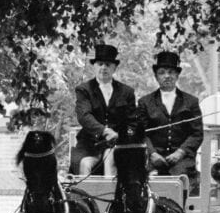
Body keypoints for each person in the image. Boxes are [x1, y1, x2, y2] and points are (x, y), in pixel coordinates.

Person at [70, 43, 136, 175]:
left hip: (117, 144)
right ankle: (85, 195)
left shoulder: (127, 92)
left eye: (108, 64)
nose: (103, 68)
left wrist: (123, 135)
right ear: (94, 66)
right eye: (100, 64)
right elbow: (84, 116)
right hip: (89, 145)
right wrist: (104, 131)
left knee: (112, 160)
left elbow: (132, 123)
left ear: (114, 68)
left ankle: (111, 195)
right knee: (84, 164)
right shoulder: (84, 90)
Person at [138, 51, 203, 183]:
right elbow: (140, 133)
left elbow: (197, 133)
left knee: (179, 180)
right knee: (146, 181)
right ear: (156, 76)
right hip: (153, 159)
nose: (167, 76)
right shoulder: (145, 102)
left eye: (171, 72)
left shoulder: (191, 102)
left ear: (177, 75)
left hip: (182, 160)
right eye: (162, 72)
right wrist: (152, 153)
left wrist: (180, 152)